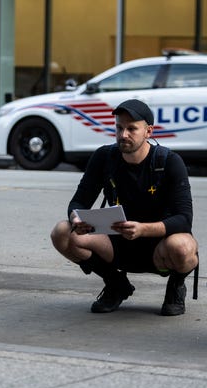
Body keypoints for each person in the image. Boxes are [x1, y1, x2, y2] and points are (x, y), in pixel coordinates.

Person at [51, 99, 198, 316]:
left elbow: (184, 219)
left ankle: (176, 286)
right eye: (119, 128)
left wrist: (142, 229)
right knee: (62, 232)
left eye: (131, 129)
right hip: (115, 242)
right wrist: (76, 219)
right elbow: (78, 202)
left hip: (159, 247)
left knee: (183, 247)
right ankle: (116, 284)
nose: (123, 135)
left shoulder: (168, 161)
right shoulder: (104, 157)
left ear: (148, 131)